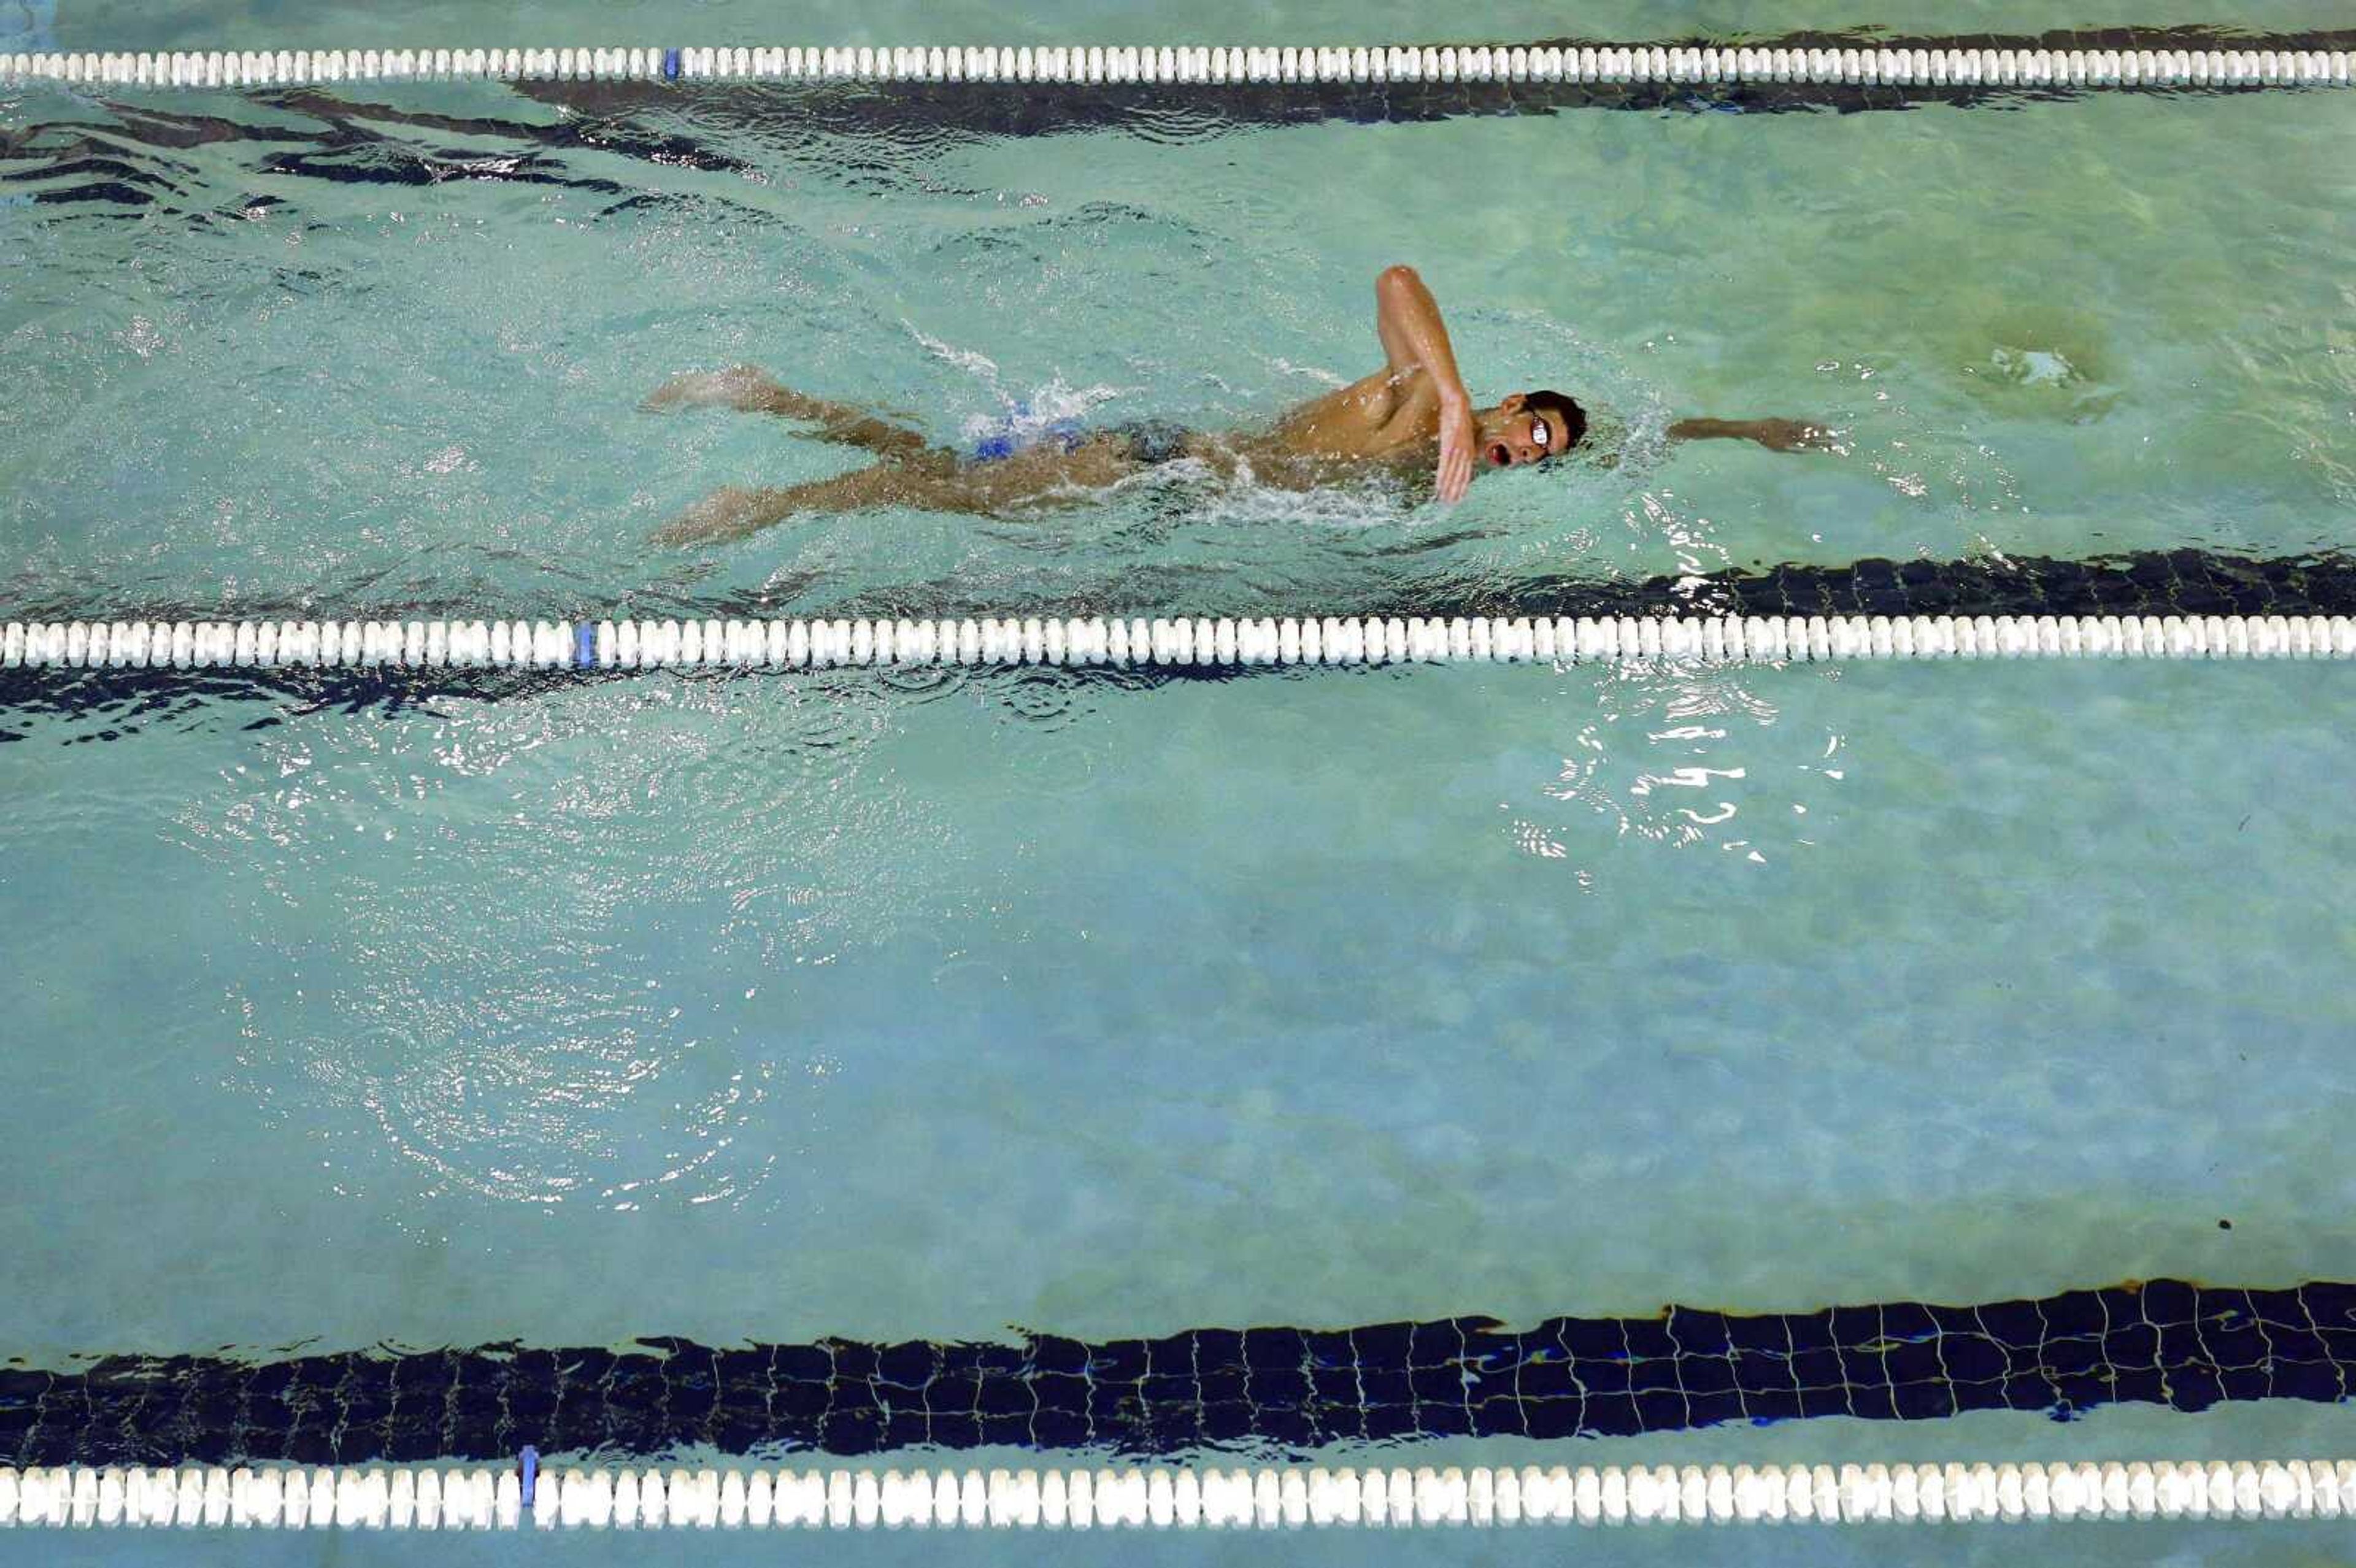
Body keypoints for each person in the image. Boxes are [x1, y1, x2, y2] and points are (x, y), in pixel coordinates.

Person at [645, 265, 1830, 546]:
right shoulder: (1421, 411)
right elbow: (1397, 282)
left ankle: (767, 395)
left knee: (947, 474)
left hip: (1164, 474)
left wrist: (1746, 431)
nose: (1527, 451)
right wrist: (1462, 405)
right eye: (1531, 427)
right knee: (944, 494)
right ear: (1510, 400)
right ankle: (764, 502)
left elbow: (1623, 437)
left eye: (1543, 452)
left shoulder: (1467, 450)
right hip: (1145, 464)